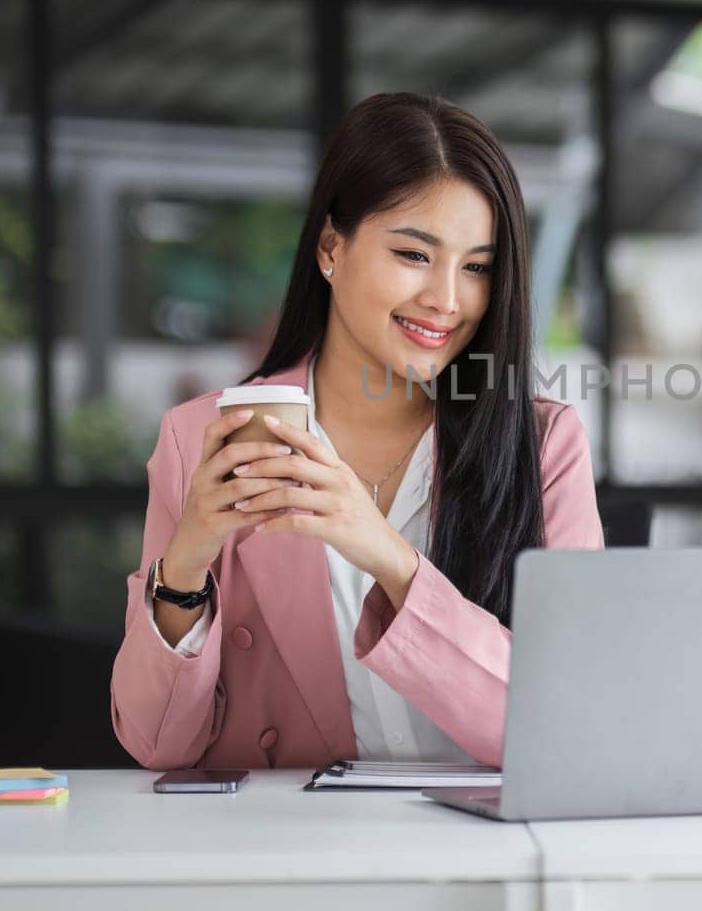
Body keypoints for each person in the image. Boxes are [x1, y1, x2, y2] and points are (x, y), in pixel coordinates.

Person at [110, 93, 603, 770]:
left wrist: (389, 558)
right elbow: (157, 743)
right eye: (413, 253)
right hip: (300, 852)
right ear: (330, 248)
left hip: (493, 848)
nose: (448, 299)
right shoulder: (204, 435)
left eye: (477, 267)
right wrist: (188, 562)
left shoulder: (545, 442)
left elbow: (569, 727)